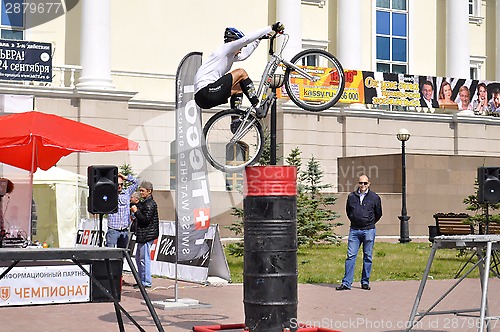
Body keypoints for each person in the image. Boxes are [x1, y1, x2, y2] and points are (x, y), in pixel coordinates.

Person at [194, 22, 285, 118]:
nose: (241, 50)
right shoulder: (225, 48)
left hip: (203, 98)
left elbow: (244, 55)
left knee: (239, 88)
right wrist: (271, 28)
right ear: (234, 42)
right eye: (240, 47)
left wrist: (258, 39)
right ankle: (258, 108)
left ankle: (235, 121)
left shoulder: (229, 56)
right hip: (205, 91)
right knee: (241, 73)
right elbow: (246, 39)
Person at [336, 175, 382, 291]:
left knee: (368, 256)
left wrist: (369, 222)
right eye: (361, 183)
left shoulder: (374, 197)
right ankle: (346, 283)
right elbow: (348, 211)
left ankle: (365, 282)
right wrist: (355, 219)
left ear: (369, 184)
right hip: (354, 231)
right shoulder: (352, 196)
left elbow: (379, 213)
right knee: (350, 256)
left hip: (369, 230)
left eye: (365, 183)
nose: (363, 186)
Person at [130, 181, 159, 289]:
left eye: (142, 190)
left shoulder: (150, 204)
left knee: (144, 259)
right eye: (140, 190)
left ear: (149, 191)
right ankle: (141, 280)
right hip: (142, 234)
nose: (140, 192)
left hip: (147, 235)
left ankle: (146, 282)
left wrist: (136, 211)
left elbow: (146, 219)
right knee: (138, 258)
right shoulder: (145, 203)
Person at [106, 173, 139, 248]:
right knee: (110, 253)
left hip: (124, 230)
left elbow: (137, 182)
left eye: (121, 184)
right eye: (117, 184)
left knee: (122, 254)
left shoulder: (127, 193)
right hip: (113, 228)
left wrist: (126, 177)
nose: (119, 186)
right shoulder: (109, 193)